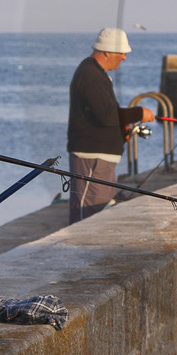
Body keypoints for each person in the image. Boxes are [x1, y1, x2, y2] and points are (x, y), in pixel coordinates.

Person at [68, 28, 154, 223]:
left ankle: (90, 252)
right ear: (106, 51)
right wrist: (139, 113)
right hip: (91, 158)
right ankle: (80, 251)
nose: (124, 58)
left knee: (99, 215)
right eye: (121, 53)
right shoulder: (90, 74)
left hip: (101, 160)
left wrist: (122, 127)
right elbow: (107, 115)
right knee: (87, 215)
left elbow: (104, 112)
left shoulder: (97, 74)